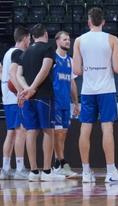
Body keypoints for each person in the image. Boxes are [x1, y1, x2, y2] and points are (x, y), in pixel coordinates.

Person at [73, 7, 118, 183]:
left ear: (89, 22)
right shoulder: (112, 39)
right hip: (106, 89)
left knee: (85, 128)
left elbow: (76, 70)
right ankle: (110, 171)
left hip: (88, 90)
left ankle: (86, 172)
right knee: (107, 128)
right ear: (103, 21)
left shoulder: (79, 41)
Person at [16, 24, 66, 182]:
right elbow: (45, 70)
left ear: (32, 36)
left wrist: (26, 89)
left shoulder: (26, 52)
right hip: (43, 95)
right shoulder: (48, 48)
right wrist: (32, 88)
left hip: (29, 97)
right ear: (45, 34)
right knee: (48, 131)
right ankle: (46, 171)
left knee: (31, 131)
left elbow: (18, 74)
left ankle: (33, 172)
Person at [0, 26, 30, 180]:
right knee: (21, 131)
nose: (30, 41)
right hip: (15, 98)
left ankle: (6, 168)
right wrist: (20, 90)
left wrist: (6, 84)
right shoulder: (18, 53)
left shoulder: (8, 52)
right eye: (29, 38)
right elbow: (11, 74)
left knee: (11, 132)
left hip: (7, 98)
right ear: (25, 38)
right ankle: (20, 168)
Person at [51, 31, 80, 178]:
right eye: (64, 39)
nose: (68, 41)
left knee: (63, 134)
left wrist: (76, 102)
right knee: (57, 134)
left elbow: (72, 82)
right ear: (57, 41)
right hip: (54, 101)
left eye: (69, 39)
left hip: (65, 103)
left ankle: (58, 164)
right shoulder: (52, 58)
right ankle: (61, 163)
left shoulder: (70, 60)